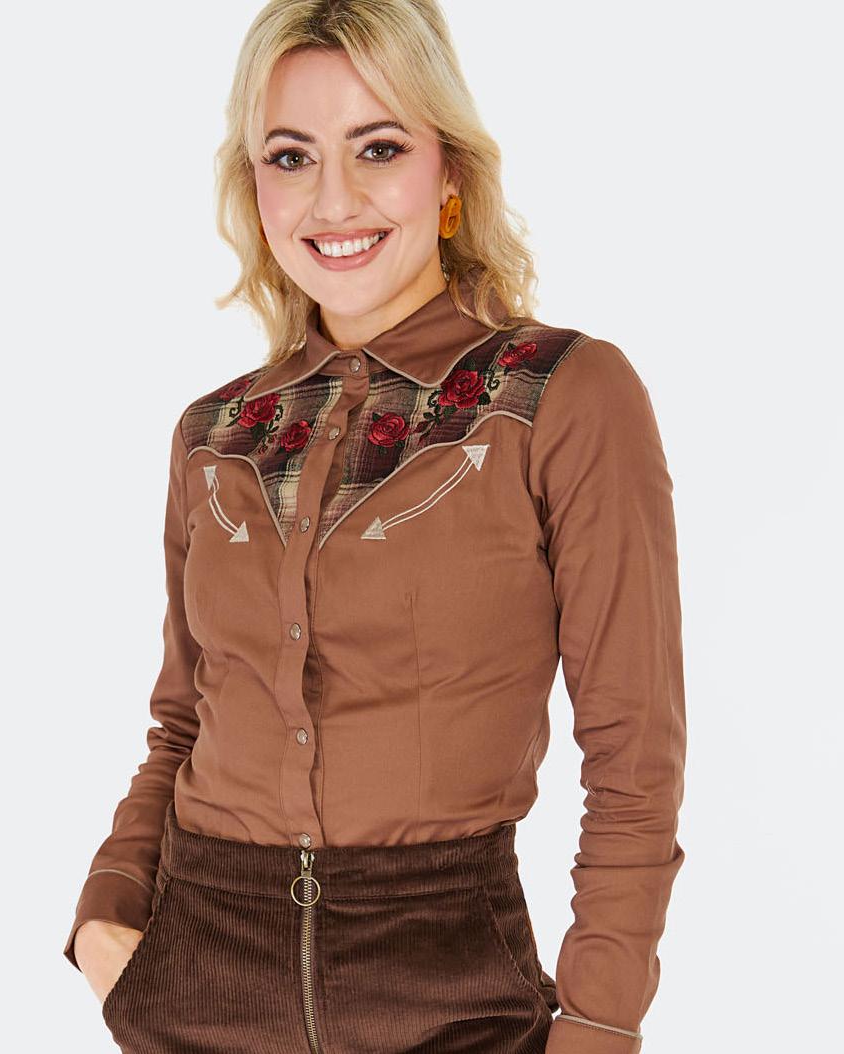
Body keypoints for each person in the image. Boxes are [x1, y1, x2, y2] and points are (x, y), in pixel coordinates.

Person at [63, 2, 687, 1052]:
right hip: (195, 978)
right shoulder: (213, 433)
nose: (333, 199)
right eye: (291, 156)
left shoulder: (560, 396)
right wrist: (104, 917)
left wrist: (597, 1023)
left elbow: (633, 756)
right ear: (253, 188)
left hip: (449, 984)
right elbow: (181, 718)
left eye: (379, 147)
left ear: (449, 174)